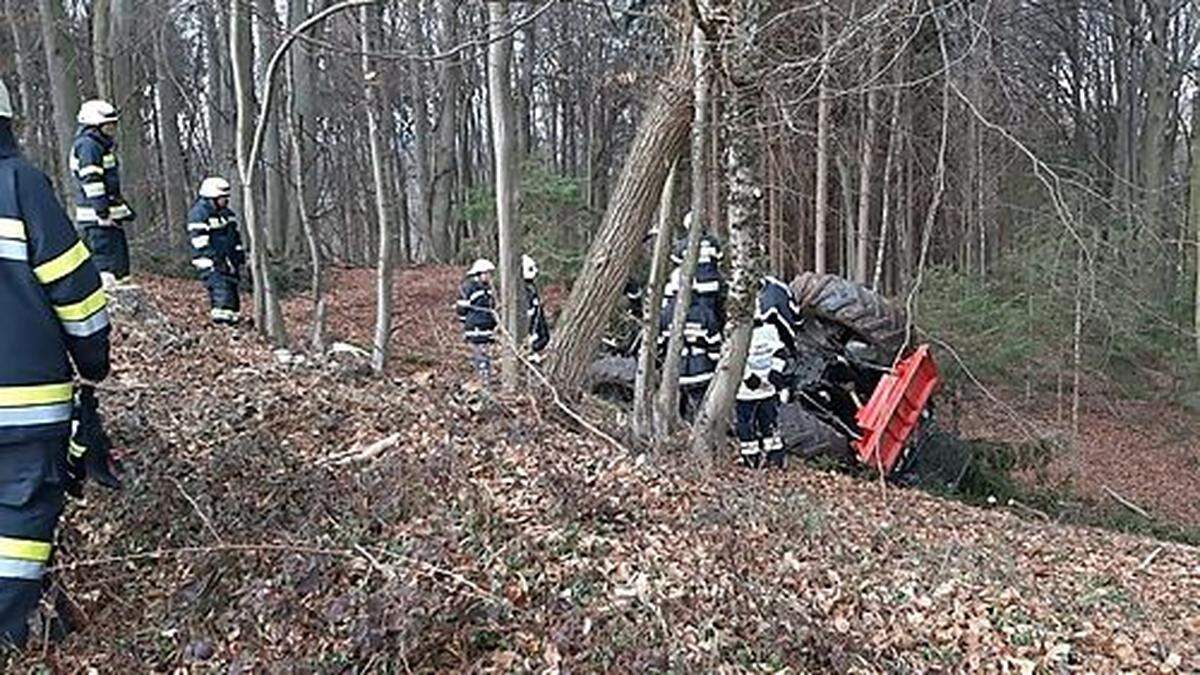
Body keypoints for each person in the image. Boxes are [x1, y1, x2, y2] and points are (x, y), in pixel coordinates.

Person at [0, 79, 113, 647]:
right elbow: (76, 289)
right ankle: (8, 636)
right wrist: (94, 361)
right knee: (19, 519)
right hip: (20, 410)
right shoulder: (21, 185)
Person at [71, 99, 134, 288]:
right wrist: (102, 212)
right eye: (108, 126)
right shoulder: (89, 146)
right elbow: (93, 182)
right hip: (97, 219)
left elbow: (110, 185)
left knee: (118, 266)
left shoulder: (98, 145)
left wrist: (121, 210)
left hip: (106, 217)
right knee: (106, 267)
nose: (112, 130)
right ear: (94, 126)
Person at [657, 269, 723, 421]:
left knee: (676, 410)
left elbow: (659, 347)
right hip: (702, 372)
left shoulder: (665, 314)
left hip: (675, 372)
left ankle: (677, 433)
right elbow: (715, 349)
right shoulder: (705, 313)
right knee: (701, 410)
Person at [187, 177, 245, 325]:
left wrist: (239, 257)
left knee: (232, 291)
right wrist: (215, 260)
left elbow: (234, 238)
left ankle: (233, 322)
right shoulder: (199, 214)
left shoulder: (228, 214)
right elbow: (199, 242)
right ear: (211, 198)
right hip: (209, 263)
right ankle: (222, 324)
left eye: (226, 198)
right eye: (222, 198)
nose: (225, 201)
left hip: (227, 262)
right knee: (220, 290)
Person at [736, 318, 790, 469]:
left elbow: (780, 352)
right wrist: (747, 376)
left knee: (769, 423)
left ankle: (775, 457)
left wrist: (776, 372)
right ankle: (751, 457)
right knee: (746, 425)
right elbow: (733, 357)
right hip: (746, 393)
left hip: (768, 391)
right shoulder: (738, 332)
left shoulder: (770, 330)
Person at [456, 259, 497, 382]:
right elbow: (461, 309)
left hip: (486, 328)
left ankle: (486, 378)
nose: (489, 276)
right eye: (487, 273)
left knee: (486, 354)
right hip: (476, 328)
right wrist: (467, 324)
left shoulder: (487, 289)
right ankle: (483, 380)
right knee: (481, 355)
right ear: (479, 274)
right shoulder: (469, 288)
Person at [522, 255, 550, 359]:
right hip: (531, 325)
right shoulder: (524, 289)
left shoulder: (531, 287)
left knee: (544, 337)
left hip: (537, 322)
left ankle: (534, 353)